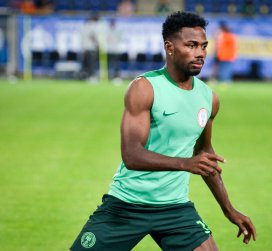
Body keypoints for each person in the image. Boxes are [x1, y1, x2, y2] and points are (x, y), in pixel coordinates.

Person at [70, 11, 256, 251]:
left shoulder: (209, 98)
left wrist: (229, 210)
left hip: (175, 209)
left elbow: (204, 157)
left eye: (203, 46)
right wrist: (185, 163)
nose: (200, 53)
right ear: (170, 47)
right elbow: (132, 155)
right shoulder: (144, 88)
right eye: (191, 45)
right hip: (127, 204)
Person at [80, 12, 100, 83]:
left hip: (86, 48)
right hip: (91, 47)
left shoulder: (84, 26)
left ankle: (86, 76)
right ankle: (92, 77)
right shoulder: (93, 25)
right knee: (92, 64)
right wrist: (97, 44)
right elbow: (93, 36)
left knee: (87, 63)